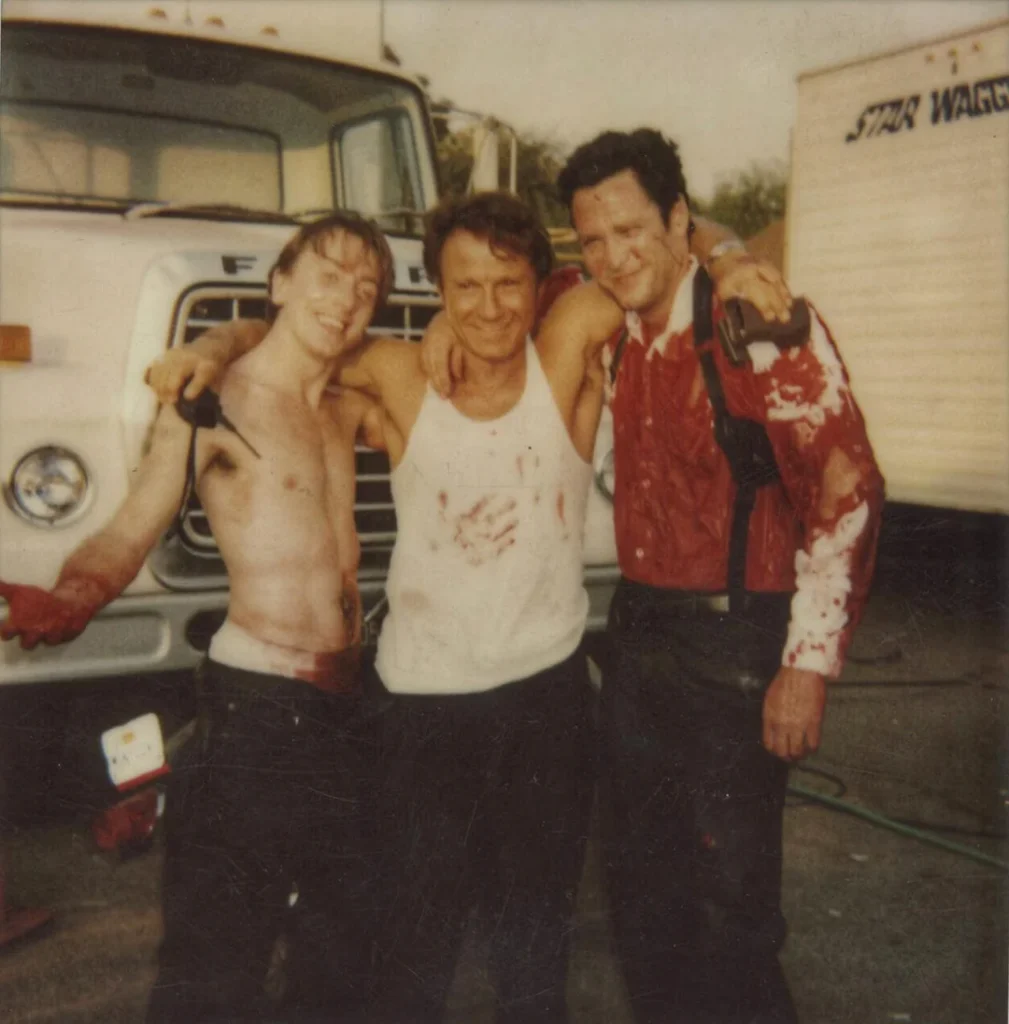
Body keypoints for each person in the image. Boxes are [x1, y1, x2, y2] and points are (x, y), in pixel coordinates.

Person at [146, 189, 789, 1023]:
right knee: (411, 953)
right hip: (420, 710)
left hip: (544, 702)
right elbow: (292, 337)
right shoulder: (397, 372)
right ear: (440, 292)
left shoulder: (567, 343)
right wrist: (211, 341)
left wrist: (730, 255)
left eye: (507, 283)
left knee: (534, 952)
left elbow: (659, 250)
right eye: (465, 288)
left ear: (539, 286)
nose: (488, 306)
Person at [0, 211, 395, 1024]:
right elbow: (132, 523)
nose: (346, 299)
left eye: (366, 289)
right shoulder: (212, 401)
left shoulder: (347, 409)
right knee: (215, 963)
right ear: (280, 282)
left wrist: (223, 336)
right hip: (258, 711)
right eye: (328, 276)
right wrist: (75, 594)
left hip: (348, 711)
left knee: (343, 953)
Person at [539, 128, 883, 1024]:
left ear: (677, 220)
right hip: (638, 635)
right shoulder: (613, 332)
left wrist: (805, 666)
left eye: (631, 230)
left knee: (729, 915)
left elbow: (845, 493)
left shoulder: (753, 324)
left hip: (737, 643)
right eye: (592, 240)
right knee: (640, 901)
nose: (613, 257)